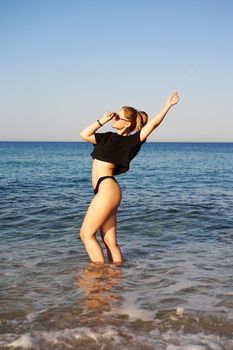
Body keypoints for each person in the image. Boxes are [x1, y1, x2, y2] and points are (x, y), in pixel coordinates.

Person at [79, 92, 179, 263]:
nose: (113, 118)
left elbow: (153, 124)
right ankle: (115, 279)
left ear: (127, 123)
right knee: (109, 241)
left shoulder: (132, 141)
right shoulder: (106, 137)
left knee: (86, 234)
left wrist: (167, 106)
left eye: (117, 116)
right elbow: (84, 134)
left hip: (107, 188)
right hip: (104, 190)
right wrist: (101, 120)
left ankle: (97, 278)